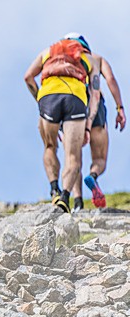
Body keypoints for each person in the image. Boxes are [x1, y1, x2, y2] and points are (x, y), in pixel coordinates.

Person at [24, 34, 99, 213]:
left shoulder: (47, 52)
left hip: (48, 98)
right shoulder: (89, 59)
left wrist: (40, 102)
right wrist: (88, 125)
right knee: (73, 156)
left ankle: (54, 189)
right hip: (75, 98)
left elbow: (28, 77)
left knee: (50, 146)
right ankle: (65, 197)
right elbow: (95, 94)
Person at [65, 34, 126, 209]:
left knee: (73, 157)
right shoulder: (96, 59)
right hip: (96, 105)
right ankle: (93, 175)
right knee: (100, 158)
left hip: (71, 106)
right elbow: (111, 79)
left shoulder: (63, 63)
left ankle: (77, 202)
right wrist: (119, 108)